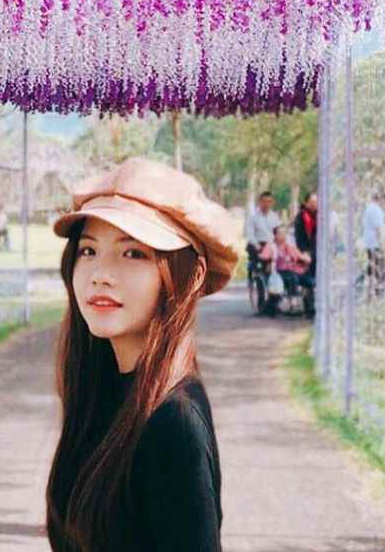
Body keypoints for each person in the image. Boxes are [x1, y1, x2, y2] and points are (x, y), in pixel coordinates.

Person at [46, 155, 238, 552]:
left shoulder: (172, 422)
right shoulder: (101, 393)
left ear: (193, 274)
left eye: (133, 253)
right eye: (88, 251)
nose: (100, 272)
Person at [265, 225, 314, 318]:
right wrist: (269, 258)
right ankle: (293, 305)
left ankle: (310, 307)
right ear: (275, 235)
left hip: (294, 271)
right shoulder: (271, 246)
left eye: (284, 233)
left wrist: (305, 257)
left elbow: (303, 257)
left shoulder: (290, 246)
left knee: (310, 281)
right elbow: (263, 256)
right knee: (293, 278)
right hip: (279, 272)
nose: (283, 235)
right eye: (280, 233)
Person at [243, 190, 279, 270]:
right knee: (254, 254)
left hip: (270, 245)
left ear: (272, 203)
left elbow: (277, 233)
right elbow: (249, 234)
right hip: (256, 243)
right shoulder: (253, 216)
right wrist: (257, 245)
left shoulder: (274, 216)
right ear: (260, 202)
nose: (266, 204)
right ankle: (253, 272)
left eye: (269, 202)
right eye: (264, 201)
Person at [361, 195, 385, 295]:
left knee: (372, 266)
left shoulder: (368, 208)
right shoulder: (377, 210)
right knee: (380, 267)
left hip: (369, 243)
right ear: (380, 199)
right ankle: (379, 291)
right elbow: (378, 228)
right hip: (376, 243)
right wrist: (382, 244)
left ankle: (370, 290)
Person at [293, 192, 318, 277]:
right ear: (306, 203)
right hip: (305, 250)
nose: (315, 204)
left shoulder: (320, 216)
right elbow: (298, 237)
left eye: (316, 202)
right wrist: (304, 251)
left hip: (317, 250)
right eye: (312, 202)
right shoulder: (300, 217)